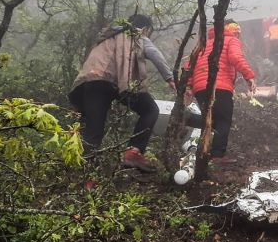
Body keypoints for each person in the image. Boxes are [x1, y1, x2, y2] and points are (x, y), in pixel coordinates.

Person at [69, 14, 176, 173]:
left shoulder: (106, 37)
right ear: (145, 29)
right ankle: (133, 152)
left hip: (90, 82)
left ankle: (86, 177)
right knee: (150, 110)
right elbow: (155, 54)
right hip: (113, 81)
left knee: (93, 130)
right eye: (149, 33)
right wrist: (170, 79)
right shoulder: (136, 34)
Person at [186, 20, 256, 164]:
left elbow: (189, 65)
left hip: (199, 88)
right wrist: (249, 76)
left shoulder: (203, 45)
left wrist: (188, 86)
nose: (238, 33)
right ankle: (217, 155)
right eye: (236, 29)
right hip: (220, 86)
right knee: (223, 120)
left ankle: (188, 120)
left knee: (211, 120)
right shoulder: (231, 40)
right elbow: (236, 57)